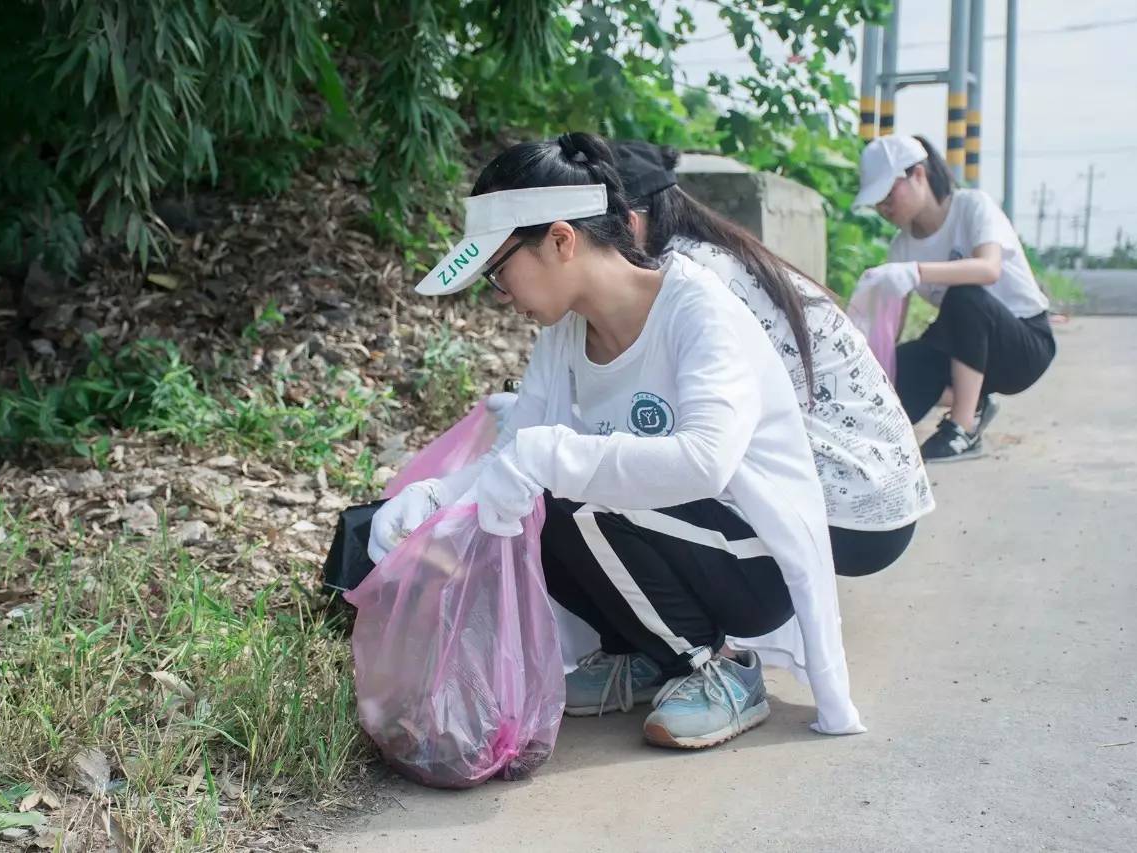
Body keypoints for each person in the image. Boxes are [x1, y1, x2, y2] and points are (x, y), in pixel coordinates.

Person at [367, 132, 864, 748]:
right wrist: (436, 497)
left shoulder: (697, 312)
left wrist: (547, 456)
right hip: (669, 541)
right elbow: (516, 449)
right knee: (538, 500)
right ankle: (641, 654)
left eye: (500, 275)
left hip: (750, 562)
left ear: (560, 240)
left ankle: (717, 668)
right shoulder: (564, 333)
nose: (503, 299)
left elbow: (705, 462)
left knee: (572, 497)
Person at [610, 141, 933, 579]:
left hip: (851, 514)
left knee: (622, 488)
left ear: (629, 222)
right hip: (882, 495)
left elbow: (689, 439)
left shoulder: (684, 277)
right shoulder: (707, 253)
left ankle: (712, 637)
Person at [853, 134, 1056, 462]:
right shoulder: (900, 248)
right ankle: (972, 400)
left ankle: (962, 428)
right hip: (965, 354)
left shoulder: (972, 206)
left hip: (1023, 347)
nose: (883, 208)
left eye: (888, 194)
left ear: (918, 174)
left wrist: (917, 271)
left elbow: (989, 270)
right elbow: (893, 332)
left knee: (965, 297)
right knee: (899, 368)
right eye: (877, 201)